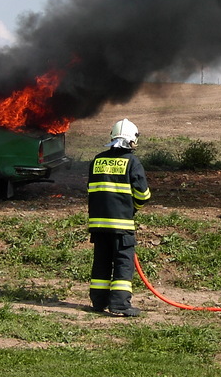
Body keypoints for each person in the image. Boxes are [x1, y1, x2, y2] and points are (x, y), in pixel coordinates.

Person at [87, 118, 151, 317]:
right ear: (132, 140)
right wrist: (133, 209)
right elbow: (143, 195)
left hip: (98, 224)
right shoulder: (132, 162)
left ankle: (99, 302)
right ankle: (120, 304)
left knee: (101, 261)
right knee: (123, 262)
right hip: (122, 225)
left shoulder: (97, 160)